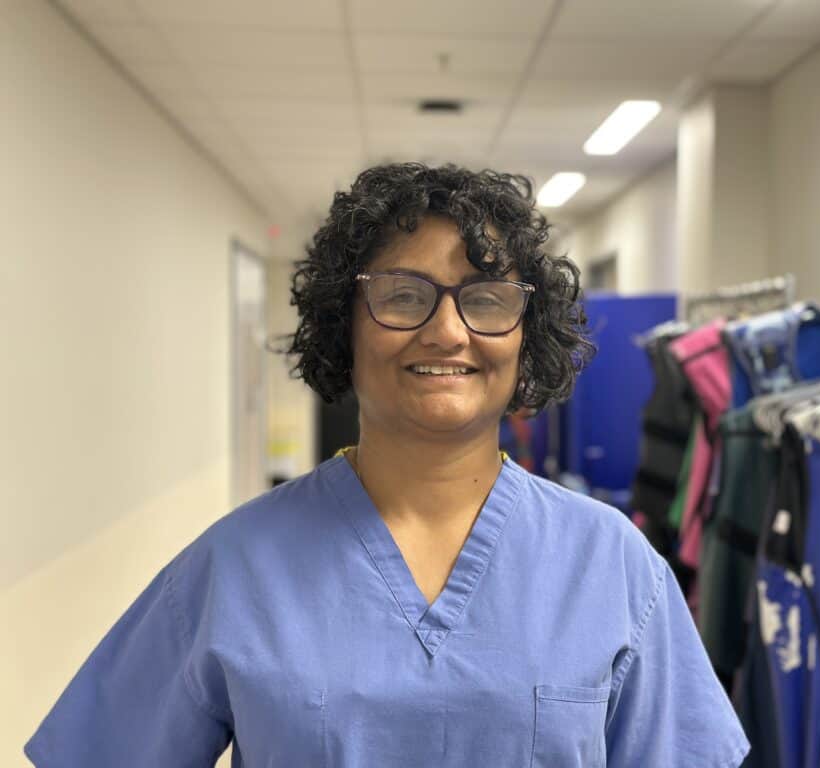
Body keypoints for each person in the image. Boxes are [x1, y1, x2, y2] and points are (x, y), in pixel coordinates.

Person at [25, 163, 749, 767]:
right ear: (345, 322)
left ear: (527, 337)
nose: (446, 330)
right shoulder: (236, 565)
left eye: (487, 299)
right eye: (403, 295)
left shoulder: (612, 564)